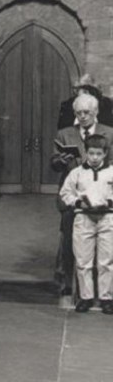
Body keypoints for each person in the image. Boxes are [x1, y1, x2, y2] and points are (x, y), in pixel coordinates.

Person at [50, 92, 113, 295]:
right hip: (74, 192)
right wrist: (61, 160)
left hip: (103, 192)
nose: (83, 116)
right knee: (69, 237)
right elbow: (54, 163)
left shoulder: (109, 133)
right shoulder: (65, 133)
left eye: (87, 112)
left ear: (95, 112)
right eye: (79, 113)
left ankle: (104, 289)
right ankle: (67, 282)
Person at [59, 134, 113, 313]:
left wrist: (109, 202)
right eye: (91, 153)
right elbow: (65, 193)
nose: (95, 158)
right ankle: (86, 296)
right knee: (83, 260)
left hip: (107, 218)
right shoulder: (77, 173)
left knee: (106, 261)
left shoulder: (111, 172)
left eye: (98, 154)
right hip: (84, 217)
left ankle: (106, 297)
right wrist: (77, 202)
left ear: (105, 154)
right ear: (86, 153)